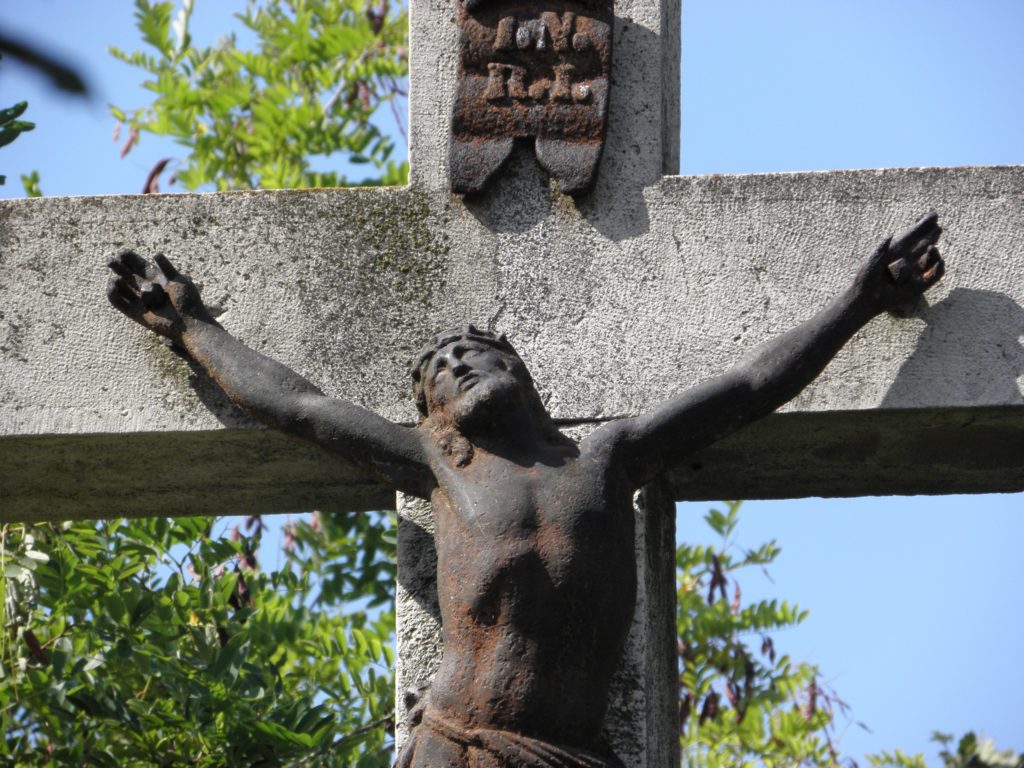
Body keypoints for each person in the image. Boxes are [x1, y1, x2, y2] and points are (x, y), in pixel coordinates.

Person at [107, 213, 943, 767]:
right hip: (451, 742)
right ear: (436, 418)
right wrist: (193, 328)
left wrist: (862, 299)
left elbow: (749, 385)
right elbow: (301, 407)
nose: (457, 367)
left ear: (522, 373)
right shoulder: (441, 468)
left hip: (565, 755)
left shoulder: (610, 457)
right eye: (440, 375)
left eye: (473, 354)